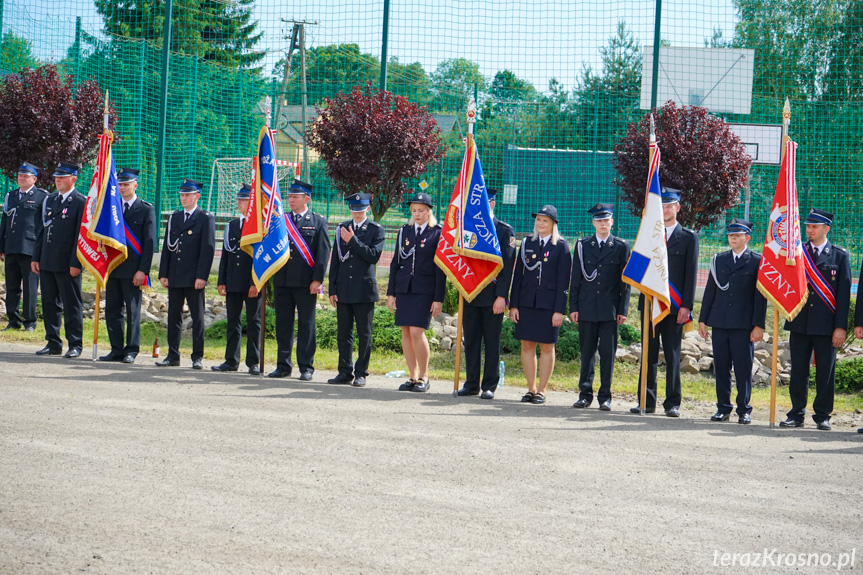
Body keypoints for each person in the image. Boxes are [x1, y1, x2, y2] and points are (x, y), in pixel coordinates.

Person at [631, 188, 698, 417]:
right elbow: (639, 268)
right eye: (663, 206)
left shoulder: (689, 238)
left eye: (670, 205)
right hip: (650, 303)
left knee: (672, 354)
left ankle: (672, 404)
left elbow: (691, 274)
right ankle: (646, 401)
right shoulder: (648, 235)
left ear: (678, 208)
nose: (666, 209)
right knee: (648, 354)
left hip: (675, 307)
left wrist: (687, 306)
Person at [783, 209, 850, 431]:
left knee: (825, 373)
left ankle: (822, 415)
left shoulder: (840, 256)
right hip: (800, 323)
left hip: (826, 325)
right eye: (808, 226)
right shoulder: (796, 252)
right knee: (798, 371)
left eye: (814, 227)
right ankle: (796, 413)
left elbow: (843, 295)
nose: (809, 230)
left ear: (826, 229)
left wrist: (840, 327)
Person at [698, 218, 766, 425]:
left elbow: (760, 296)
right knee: (721, 368)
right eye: (730, 235)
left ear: (747, 237)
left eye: (737, 235)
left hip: (743, 324)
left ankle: (744, 410)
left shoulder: (756, 261)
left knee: (743, 369)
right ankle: (723, 408)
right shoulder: (719, 260)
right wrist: (703, 319)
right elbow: (710, 291)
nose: (733, 238)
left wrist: (758, 325)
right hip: (720, 322)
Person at [454, 188, 515, 400]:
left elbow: (506, 268)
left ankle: (489, 385)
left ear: (492, 204)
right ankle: (471, 383)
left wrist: (501, 296)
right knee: (471, 341)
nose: (482, 206)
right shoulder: (467, 228)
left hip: (492, 297)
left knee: (491, 342)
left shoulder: (504, 231)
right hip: (470, 293)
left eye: (486, 202)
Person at [570, 203, 630, 411]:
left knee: (607, 355)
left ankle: (605, 396)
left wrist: (623, 309)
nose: (603, 224)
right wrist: (574, 306)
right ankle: (585, 394)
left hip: (609, 310)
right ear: (593, 223)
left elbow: (625, 283)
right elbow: (575, 279)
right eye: (599, 220)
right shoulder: (582, 245)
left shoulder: (621, 246)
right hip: (586, 308)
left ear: (612, 222)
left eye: (606, 220)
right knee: (587, 354)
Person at [268, 179, 331, 381]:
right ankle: (283, 365)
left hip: (306, 283)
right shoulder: (280, 219)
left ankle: (306, 367)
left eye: (295, 196)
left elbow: (322, 253)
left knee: (306, 324)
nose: (291, 199)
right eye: (290, 196)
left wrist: (317, 280)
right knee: (283, 324)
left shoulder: (318, 221)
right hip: (282, 281)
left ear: (307, 198)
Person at [509, 205, 571, 405]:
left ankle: (542, 390)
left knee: (546, 346)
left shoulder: (561, 246)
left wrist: (559, 310)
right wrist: (514, 305)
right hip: (527, 303)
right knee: (526, 345)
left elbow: (564, 282)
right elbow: (518, 276)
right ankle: (531, 388)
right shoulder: (527, 242)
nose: (540, 223)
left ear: (553, 224)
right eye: (538, 220)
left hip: (549, 305)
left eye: (545, 220)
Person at [386, 191, 445, 393]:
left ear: (429, 212)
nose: (417, 214)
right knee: (405, 332)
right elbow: (396, 262)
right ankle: (412, 376)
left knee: (417, 332)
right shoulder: (405, 231)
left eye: (421, 210)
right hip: (404, 288)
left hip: (425, 290)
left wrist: (438, 298)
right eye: (413, 210)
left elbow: (441, 269)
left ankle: (424, 376)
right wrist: (391, 293)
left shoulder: (437, 232)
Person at [156, 179, 215, 370]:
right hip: (175, 274)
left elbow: (207, 249)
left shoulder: (205, 218)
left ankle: (197, 356)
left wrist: (202, 276)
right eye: (182, 195)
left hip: (193, 276)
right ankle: (173, 355)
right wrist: (163, 273)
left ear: (197, 196)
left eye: (188, 195)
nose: (184, 198)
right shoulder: (175, 218)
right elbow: (167, 247)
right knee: (173, 316)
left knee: (197, 318)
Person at [327, 193, 385, 387]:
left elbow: (373, 256)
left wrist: (352, 240)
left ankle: (361, 372)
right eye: (354, 209)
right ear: (350, 209)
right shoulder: (342, 228)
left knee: (364, 333)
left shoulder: (376, 230)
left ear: (367, 209)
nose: (357, 213)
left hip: (364, 290)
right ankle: (344, 371)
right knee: (344, 333)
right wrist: (332, 288)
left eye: (361, 209)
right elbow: (335, 260)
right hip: (344, 288)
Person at [100, 168, 156, 364]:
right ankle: (116, 349)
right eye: (120, 184)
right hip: (113, 267)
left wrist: (143, 270)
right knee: (112, 311)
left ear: (135, 185)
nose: (122, 188)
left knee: (132, 312)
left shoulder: (145, 209)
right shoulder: (112, 208)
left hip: (133, 270)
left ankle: (131, 349)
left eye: (126, 184)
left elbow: (149, 243)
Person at [32, 162, 86, 358]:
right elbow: (42, 230)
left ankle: (75, 344)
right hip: (47, 260)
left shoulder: (80, 202)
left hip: (67, 263)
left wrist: (76, 262)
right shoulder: (50, 200)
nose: (58, 180)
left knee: (71, 304)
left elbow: (81, 236)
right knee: (49, 303)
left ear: (73, 179)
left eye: (62, 177)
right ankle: (53, 342)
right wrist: (36, 257)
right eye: (56, 177)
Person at [212, 183, 261, 375]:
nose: (239, 202)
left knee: (254, 322)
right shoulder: (231, 225)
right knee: (233, 321)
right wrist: (221, 280)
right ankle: (231, 360)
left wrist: (255, 283)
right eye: (239, 199)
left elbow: (260, 258)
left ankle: (253, 362)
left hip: (251, 282)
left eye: (243, 199)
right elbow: (226, 255)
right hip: (232, 280)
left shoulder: (258, 226)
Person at [0, 162, 49, 332]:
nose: (21, 178)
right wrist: (1, 246)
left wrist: (42, 249)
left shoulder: (42, 196)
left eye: (26, 176)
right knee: (12, 285)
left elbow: (44, 225)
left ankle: (30, 321)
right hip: (12, 247)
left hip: (31, 249)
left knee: (30, 287)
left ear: (34, 179)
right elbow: (4, 222)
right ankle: (13, 320)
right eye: (20, 176)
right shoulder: (10, 196)